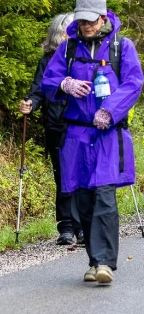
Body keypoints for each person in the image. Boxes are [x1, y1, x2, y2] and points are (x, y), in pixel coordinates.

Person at [41, 0, 144, 284]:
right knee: (83, 199)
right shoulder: (68, 48)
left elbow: (134, 83)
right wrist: (66, 83)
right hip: (76, 134)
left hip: (108, 133)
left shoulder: (122, 46)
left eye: (91, 20)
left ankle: (104, 263)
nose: (86, 25)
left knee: (104, 197)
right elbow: (48, 82)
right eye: (82, 19)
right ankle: (93, 260)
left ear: (103, 18)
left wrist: (110, 111)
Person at [20, 13, 81, 245]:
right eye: (71, 29)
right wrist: (30, 104)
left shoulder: (84, 58)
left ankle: (82, 225)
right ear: (59, 33)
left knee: (82, 174)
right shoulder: (47, 60)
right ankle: (66, 227)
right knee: (63, 175)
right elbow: (38, 91)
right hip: (56, 125)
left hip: (81, 124)